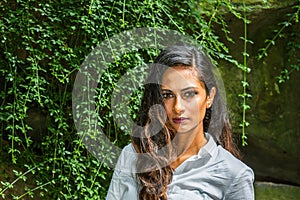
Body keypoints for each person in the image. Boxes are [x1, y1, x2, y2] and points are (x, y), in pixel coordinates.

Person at [106, 45, 254, 200]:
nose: (178, 107)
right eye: (167, 95)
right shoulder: (133, 154)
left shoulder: (234, 174)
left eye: (189, 94)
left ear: (210, 96)